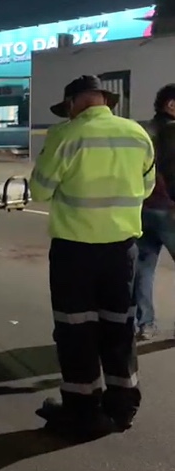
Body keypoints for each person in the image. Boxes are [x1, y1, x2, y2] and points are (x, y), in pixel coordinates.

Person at [30, 75, 155, 438]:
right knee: (120, 328)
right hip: (122, 251)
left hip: (76, 253)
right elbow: (145, 187)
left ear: (74, 103)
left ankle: (83, 413)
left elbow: (40, 190)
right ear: (104, 100)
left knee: (77, 332)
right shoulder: (137, 134)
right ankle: (123, 407)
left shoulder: (64, 136)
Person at [133, 84, 175, 340]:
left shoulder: (140, 131)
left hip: (142, 207)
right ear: (171, 104)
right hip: (169, 210)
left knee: (144, 267)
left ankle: (145, 324)